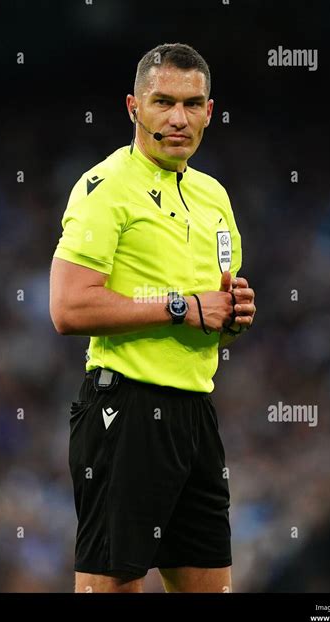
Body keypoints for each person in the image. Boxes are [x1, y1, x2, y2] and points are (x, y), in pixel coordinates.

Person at [49, 42, 256, 593]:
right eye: (162, 101)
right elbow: (68, 308)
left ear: (210, 112)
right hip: (125, 409)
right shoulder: (104, 188)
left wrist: (231, 313)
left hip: (196, 414)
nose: (177, 117)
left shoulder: (214, 195)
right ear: (133, 107)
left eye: (192, 104)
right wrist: (182, 308)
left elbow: (216, 300)